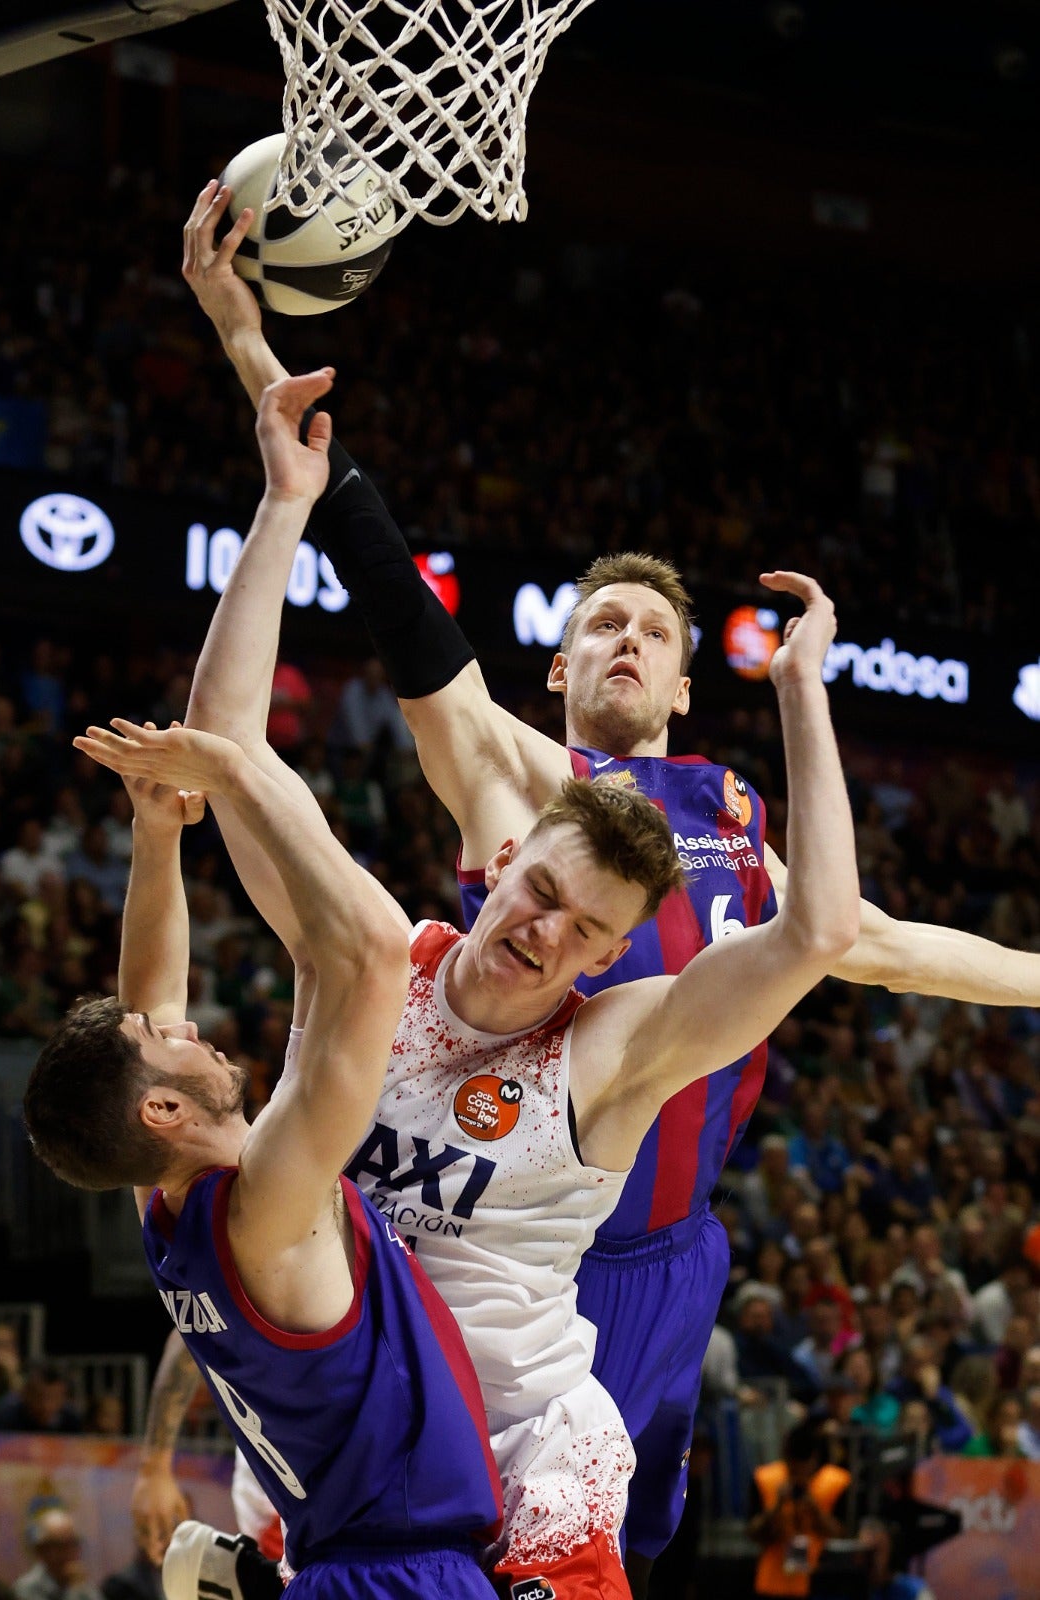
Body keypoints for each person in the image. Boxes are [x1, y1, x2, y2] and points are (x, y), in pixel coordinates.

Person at [178, 179, 1040, 1593]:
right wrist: (244, 339)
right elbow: (377, 563)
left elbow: (871, 940)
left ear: (692, 683)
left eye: (654, 628)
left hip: (665, 1249)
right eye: (601, 625)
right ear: (558, 670)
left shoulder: (737, 821)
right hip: (498, 1227)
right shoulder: (515, 777)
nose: (628, 639)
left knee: (608, 1544)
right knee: (436, 1523)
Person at [99, 269, 858, 1596]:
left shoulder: (613, 1047)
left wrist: (803, 695)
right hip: (349, 1427)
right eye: (538, 898)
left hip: (523, 1458)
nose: (546, 936)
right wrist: (283, 501)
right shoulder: (374, 970)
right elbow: (230, 760)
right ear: (495, 864)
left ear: (612, 957)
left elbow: (824, 934)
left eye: (587, 933)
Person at [23, 373, 504, 1600]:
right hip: (401, 1580)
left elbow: (152, 997)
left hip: (346, 1565)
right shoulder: (268, 1196)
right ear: (164, 1112)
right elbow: (368, 953)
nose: (184, 1029)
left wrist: (156, 838)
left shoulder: (175, 1206)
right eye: (163, 1047)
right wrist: (234, 773)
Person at [747, 1424, 850, 1600]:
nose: (798, 1472)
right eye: (793, 1466)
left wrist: (815, 1509)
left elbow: (841, 1533)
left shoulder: (835, 1481)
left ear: (814, 1459)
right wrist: (778, 1506)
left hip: (821, 1581)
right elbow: (753, 1532)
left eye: (804, 1465)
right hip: (773, 1583)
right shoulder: (766, 1479)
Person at [13, 1511, 102, 1600]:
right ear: (42, 1550)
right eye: (62, 1546)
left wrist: (81, 1587)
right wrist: (75, 1590)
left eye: (74, 1544)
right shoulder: (27, 1588)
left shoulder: (79, 1580)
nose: (70, 1553)